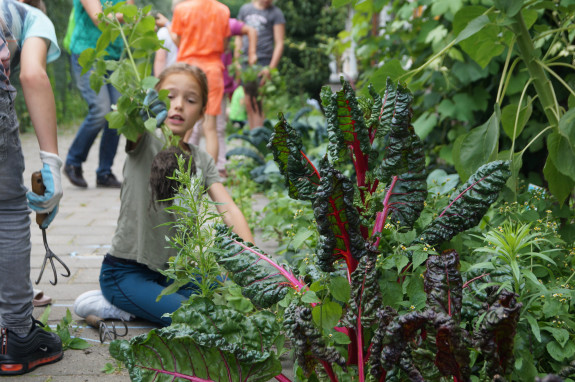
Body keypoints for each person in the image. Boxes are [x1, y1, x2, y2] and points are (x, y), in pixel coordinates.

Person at [74, 63, 254, 327]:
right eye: (168, 97)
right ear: (153, 100)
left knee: (228, 296)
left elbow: (228, 208)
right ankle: (113, 302)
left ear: (202, 113)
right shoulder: (144, 140)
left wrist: (254, 259)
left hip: (172, 274)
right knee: (201, 321)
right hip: (125, 273)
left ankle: (138, 306)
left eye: (190, 100)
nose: (178, 105)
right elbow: (130, 121)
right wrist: (138, 106)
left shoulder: (202, 159)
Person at [0, 0, 64, 375]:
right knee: (8, 209)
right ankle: (19, 334)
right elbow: (32, 76)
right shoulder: (27, 13)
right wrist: (51, 165)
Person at [64, 0, 135, 189]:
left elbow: (129, 11)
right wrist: (132, 16)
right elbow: (100, 19)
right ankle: (73, 161)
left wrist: (132, 15)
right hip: (88, 53)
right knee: (101, 109)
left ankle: (104, 172)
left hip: (114, 56)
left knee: (119, 112)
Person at [187, 17, 257, 178]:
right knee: (197, 126)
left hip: (219, 82)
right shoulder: (199, 20)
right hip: (198, 79)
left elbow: (250, 30)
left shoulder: (224, 20)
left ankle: (218, 166)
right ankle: (190, 165)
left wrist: (251, 54)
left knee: (216, 127)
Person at [170, 0, 230, 162]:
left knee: (182, 123)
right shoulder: (223, 10)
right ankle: (211, 177)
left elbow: (178, 40)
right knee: (210, 127)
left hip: (188, 71)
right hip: (212, 71)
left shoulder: (182, 9)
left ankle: (178, 169)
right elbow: (224, 46)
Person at [236, 0, 285, 129]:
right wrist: (237, 60)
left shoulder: (276, 13)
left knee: (257, 103)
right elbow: (238, 36)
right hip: (246, 62)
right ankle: (254, 136)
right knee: (248, 102)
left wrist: (270, 68)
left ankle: (258, 139)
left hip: (263, 62)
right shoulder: (245, 9)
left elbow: (279, 43)